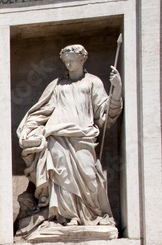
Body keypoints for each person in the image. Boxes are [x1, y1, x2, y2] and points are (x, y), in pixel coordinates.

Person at [17, 44, 122, 230]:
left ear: (82, 59)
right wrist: (28, 129)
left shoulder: (93, 82)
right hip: (57, 134)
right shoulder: (57, 85)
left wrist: (117, 90)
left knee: (89, 174)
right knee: (61, 176)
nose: (68, 63)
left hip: (83, 135)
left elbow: (105, 114)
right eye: (65, 61)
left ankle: (90, 214)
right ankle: (66, 216)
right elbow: (41, 111)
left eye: (72, 59)